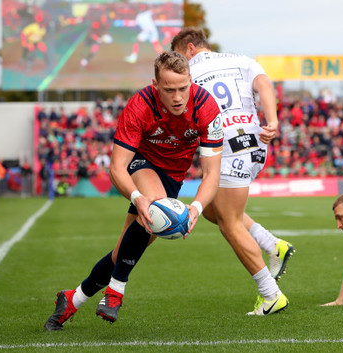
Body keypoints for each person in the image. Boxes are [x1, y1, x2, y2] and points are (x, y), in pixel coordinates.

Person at [44, 51, 224, 331]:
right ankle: (115, 293)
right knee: (152, 210)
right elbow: (117, 167)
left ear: (191, 80)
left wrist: (196, 208)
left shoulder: (206, 108)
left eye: (182, 88)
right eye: (169, 90)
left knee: (122, 252)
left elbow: (213, 173)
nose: (177, 97)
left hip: (174, 177)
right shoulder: (140, 105)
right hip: (141, 163)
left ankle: (72, 299)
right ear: (155, 85)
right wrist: (138, 198)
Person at [172, 27, 294, 316]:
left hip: (225, 147)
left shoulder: (187, 73)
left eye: (178, 56)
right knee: (213, 210)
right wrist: (273, 121)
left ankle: (271, 295)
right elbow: (265, 84)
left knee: (229, 223)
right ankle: (272, 244)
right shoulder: (242, 59)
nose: (176, 64)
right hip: (254, 142)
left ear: (189, 49)